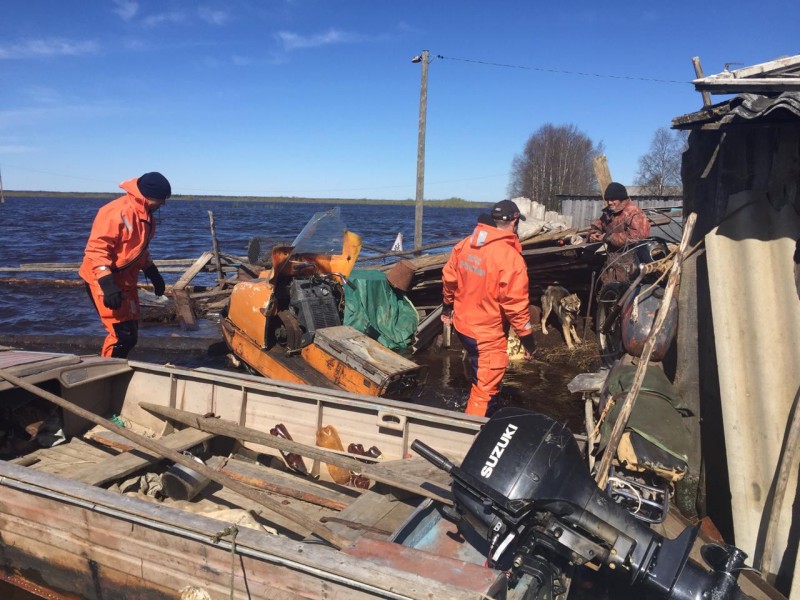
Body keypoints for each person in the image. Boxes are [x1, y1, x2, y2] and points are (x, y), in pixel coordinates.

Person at [441, 199, 536, 417]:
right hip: (486, 334)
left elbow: (449, 279)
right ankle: (470, 435)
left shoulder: (465, 245)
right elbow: (516, 306)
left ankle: (474, 404)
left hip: (463, 326)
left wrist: (447, 306)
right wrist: (528, 341)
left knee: (479, 375)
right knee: (486, 389)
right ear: (514, 220)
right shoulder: (510, 257)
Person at [79, 172, 171, 358]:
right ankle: (106, 376)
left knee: (131, 334)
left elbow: (137, 250)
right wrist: (107, 285)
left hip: (127, 281)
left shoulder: (146, 216)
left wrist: (153, 272)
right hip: (104, 280)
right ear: (148, 196)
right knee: (121, 336)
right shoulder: (115, 212)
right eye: (160, 200)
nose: (163, 204)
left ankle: (115, 368)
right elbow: (97, 251)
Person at [588, 182, 651, 283]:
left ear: (621, 198)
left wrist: (608, 237)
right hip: (612, 264)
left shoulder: (633, 212)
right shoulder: (609, 212)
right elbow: (597, 225)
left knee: (626, 295)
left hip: (631, 264)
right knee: (610, 293)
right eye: (607, 199)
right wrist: (593, 234)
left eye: (612, 199)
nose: (609, 202)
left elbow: (638, 236)